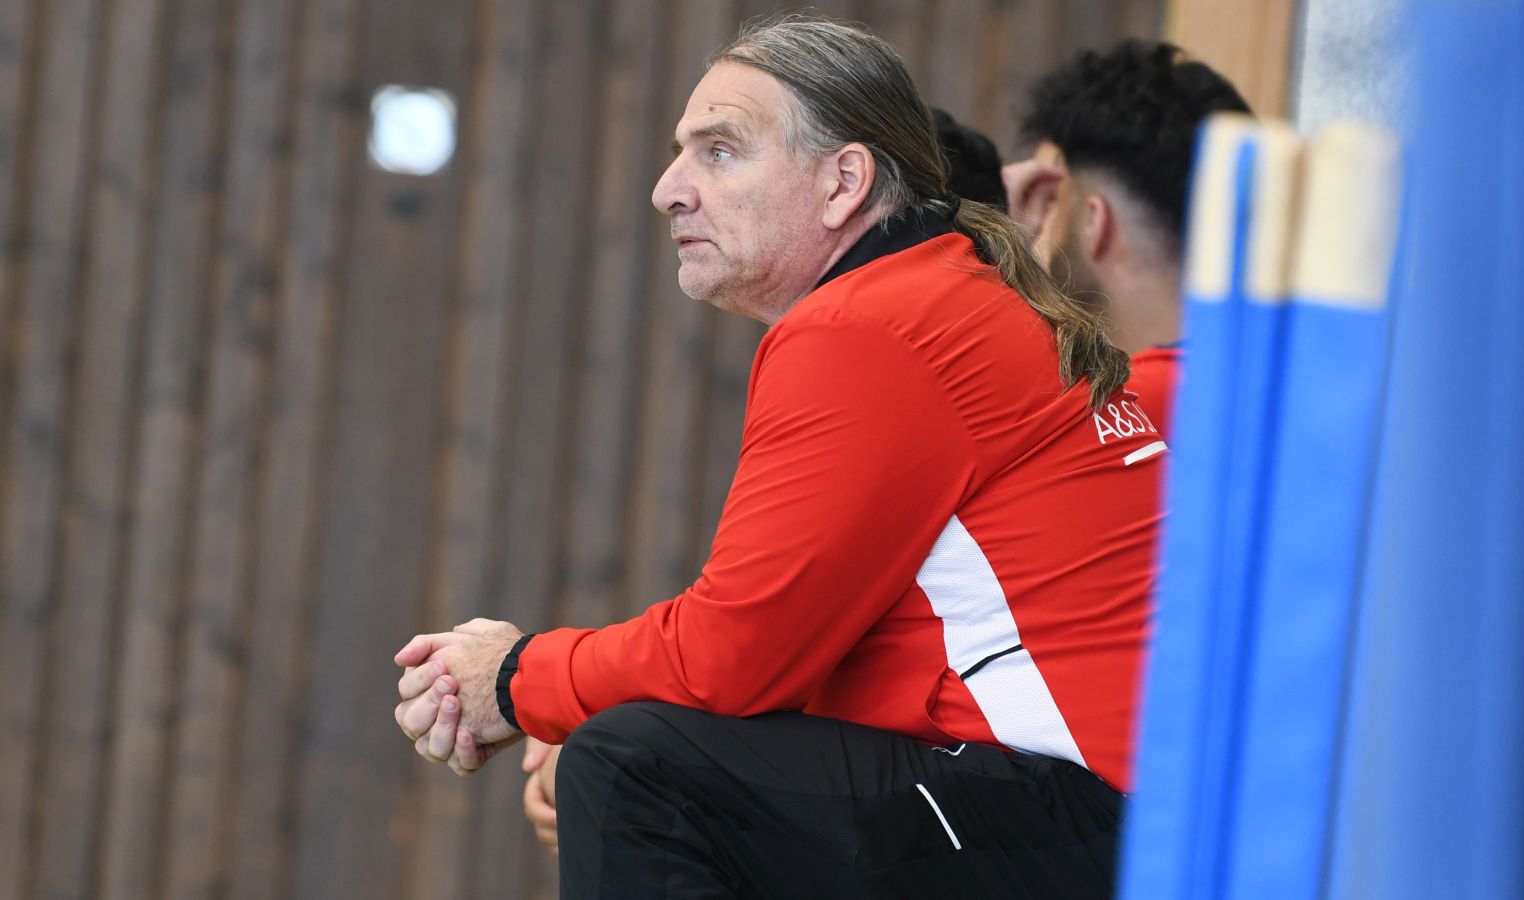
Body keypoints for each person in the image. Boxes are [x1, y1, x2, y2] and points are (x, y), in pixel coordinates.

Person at [392, 15, 1165, 898]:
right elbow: (784, 661)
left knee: (636, 770)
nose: (668, 190)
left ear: (844, 183)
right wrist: (564, 697)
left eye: (718, 151)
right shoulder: (940, 297)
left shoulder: (872, 327)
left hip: (1091, 823)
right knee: (663, 757)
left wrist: (516, 676)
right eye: (680, 155)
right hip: (1111, 807)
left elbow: (733, 656)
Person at [1004, 40, 1250, 434]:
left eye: (1051, 199)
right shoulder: (1264, 390)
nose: (1035, 223)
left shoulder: (1097, 424)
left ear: (1094, 221)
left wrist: (997, 259)